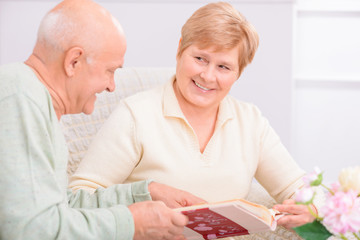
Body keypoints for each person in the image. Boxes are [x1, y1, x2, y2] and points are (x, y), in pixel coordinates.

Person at [70, 1, 316, 231]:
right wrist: (147, 192)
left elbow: (300, 190)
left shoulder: (250, 122)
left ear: (239, 72)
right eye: (200, 59)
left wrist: (312, 210)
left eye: (224, 67)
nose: (208, 76)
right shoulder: (136, 116)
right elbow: (77, 199)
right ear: (180, 49)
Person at [0, 0, 205, 239]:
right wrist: (132, 224)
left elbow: (62, 208)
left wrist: (145, 193)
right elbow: (32, 231)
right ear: (73, 61)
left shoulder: (31, 97)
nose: (111, 86)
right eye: (110, 70)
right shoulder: (19, 96)